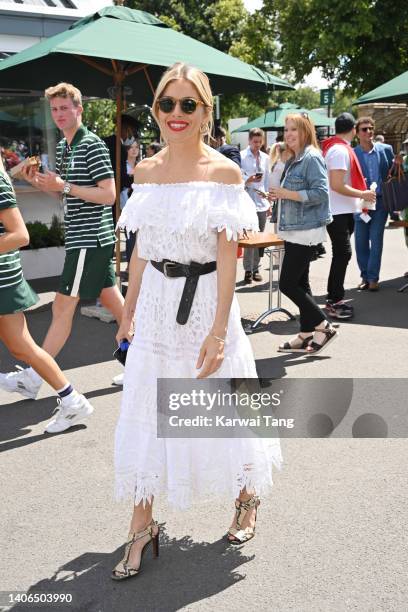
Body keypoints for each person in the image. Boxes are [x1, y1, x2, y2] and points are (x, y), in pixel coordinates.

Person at [112, 62, 282, 580]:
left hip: (208, 304)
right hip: (159, 310)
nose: (177, 113)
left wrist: (217, 331)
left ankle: (247, 497)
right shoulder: (144, 172)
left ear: (206, 111)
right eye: (168, 104)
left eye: (189, 104)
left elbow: (228, 259)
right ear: (156, 111)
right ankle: (142, 525)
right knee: (148, 410)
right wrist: (127, 311)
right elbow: (141, 248)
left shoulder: (225, 174)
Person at [1, 82, 124, 415]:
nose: (58, 115)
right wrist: (43, 184)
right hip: (86, 239)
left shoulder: (91, 144)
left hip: (89, 240)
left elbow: (109, 195)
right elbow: (69, 196)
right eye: (54, 109)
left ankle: (33, 376)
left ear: (79, 109)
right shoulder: (67, 147)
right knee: (119, 307)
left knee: (61, 308)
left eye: (64, 108)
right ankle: (143, 364)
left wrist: (65, 184)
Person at [0, 154, 93, 432]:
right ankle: (71, 398)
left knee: (23, 345)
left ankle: (71, 399)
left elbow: (20, 235)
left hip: (2, 278)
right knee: (20, 346)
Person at [269, 114, 336, 355]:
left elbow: (320, 193)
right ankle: (307, 333)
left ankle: (323, 325)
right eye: (286, 129)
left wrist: (288, 194)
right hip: (295, 228)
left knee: (287, 283)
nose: (288, 134)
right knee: (300, 283)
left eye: (293, 129)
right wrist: (279, 196)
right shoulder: (295, 158)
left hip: (306, 230)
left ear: (305, 131)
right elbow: (295, 192)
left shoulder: (311, 157)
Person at [322, 113, 376, 319]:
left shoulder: (337, 148)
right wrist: (362, 193)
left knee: (341, 255)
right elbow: (336, 185)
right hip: (337, 212)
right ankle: (334, 300)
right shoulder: (339, 150)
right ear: (353, 129)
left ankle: (334, 298)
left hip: (341, 211)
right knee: (343, 254)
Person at [353, 117, 394, 291]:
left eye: (370, 128)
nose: (368, 132)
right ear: (357, 133)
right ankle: (365, 276)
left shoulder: (386, 150)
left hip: (380, 202)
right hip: (360, 202)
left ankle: (373, 278)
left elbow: (392, 174)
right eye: (364, 129)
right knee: (360, 242)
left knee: (376, 240)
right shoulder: (352, 153)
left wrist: (397, 165)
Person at [240, 128, 270, 284]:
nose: (257, 145)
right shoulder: (242, 156)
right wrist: (248, 179)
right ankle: (247, 270)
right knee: (249, 238)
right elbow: (237, 177)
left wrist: (268, 201)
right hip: (247, 200)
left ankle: (256, 267)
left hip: (261, 201)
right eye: (254, 142)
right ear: (249, 141)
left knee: (259, 239)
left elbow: (266, 180)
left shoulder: (265, 157)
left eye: (260, 142)